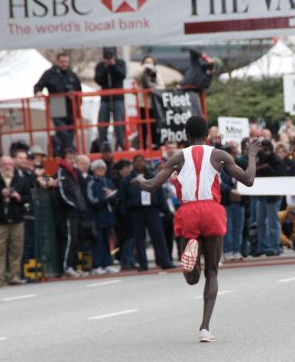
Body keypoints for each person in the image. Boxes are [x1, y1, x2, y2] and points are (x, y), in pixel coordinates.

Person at [133, 116, 259, 343]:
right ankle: (204, 328)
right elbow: (248, 179)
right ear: (207, 136)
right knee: (212, 273)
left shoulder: (178, 157)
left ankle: (191, 258)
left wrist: (140, 179)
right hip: (212, 210)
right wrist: (251, 154)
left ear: (187, 136)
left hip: (188, 211)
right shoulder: (220, 155)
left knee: (193, 279)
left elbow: (152, 185)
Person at [123, 155, 175, 271]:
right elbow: (124, 196)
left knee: (158, 236)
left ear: (145, 162)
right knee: (139, 239)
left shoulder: (152, 176)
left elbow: (160, 193)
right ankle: (142, 264)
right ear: (133, 163)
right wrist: (125, 212)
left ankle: (164, 261)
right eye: (137, 161)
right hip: (136, 211)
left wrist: (165, 210)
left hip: (152, 209)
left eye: (141, 161)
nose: (139, 163)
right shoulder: (129, 179)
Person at [0, 155, 30, 285]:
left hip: (17, 219)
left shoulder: (21, 180)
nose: (7, 167)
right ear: (0, 166)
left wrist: (19, 197)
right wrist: (1, 194)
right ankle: (0, 277)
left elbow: (28, 197)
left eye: (9, 164)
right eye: (4, 164)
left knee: (16, 248)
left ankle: (14, 276)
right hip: (0, 220)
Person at [34, 52, 82, 154]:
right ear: (57, 61)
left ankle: (65, 152)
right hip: (57, 104)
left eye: (66, 62)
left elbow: (79, 91)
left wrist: (76, 101)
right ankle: (72, 151)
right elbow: (38, 85)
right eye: (62, 61)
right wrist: (38, 92)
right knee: (63, 132)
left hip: (71, 107)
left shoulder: (72, 75)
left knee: (70, 133)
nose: (64, 64)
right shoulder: (49, 74)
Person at [55, 149, 87, 277]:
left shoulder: (74, 173)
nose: (72, 160)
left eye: (73, 158)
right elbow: (62, 193)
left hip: (76, 211)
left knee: (76, 240)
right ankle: (66, 266)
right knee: (69, 239)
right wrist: (73, 205)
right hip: (68, 212)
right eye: (69, 158)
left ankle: (73, 265)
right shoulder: (62, 172)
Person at [86, 159, 119, 275]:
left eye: (102, 168)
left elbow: (115, 198)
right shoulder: (91, 182)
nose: (101, 171)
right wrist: (104, 199)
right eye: (98, 168)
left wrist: (112, 197)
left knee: (107, 241)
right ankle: (97, 265)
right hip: (97, 217)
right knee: (97, 242)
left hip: (108, 216)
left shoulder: (108, 182)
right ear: (94, 170)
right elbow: (91, 200)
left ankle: (107, 263)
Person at [94, 46, 128, 149]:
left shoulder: (120, 63)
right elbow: (98, 80)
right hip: (105, 98)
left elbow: (122, 76)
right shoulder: (100, 65)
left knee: (119, 123)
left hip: (118, 98)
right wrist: (105, 67)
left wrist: (113, 66)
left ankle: (121, 144)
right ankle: (102, 144)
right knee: (103, 123)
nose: (109, 57)